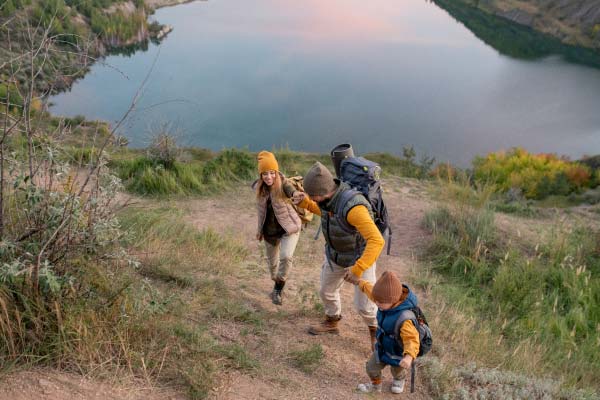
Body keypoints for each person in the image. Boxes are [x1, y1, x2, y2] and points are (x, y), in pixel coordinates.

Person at [292, 161, 384, 348]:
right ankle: (332, 322)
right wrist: (306, 203)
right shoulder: (329, 200)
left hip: (360, 258)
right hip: (335, 256)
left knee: (365, 306)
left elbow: (377, 241)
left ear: (322, 193)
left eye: (312, 196)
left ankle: (376, 333)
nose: (311, 198)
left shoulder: (354, 208)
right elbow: (326, 213)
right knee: (326, 291)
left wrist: (358, 269)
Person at [345, 270, 420, 394]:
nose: (377, 303)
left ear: (394, 300)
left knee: (397, 370)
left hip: (399, 352)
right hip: (383, 347)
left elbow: (412, 340)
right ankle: (375, 386)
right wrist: (359, 282)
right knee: (371, 368)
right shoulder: (383, 300)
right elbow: (371, 290)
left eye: (380, 302)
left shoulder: (405, 319)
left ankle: (399, 379)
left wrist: (408, 357)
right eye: (376, 301)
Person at [254, 151, 302, 305]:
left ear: (276, 171)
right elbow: (261, 214)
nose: (269, 177)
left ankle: (278, 289)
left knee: (286, 257)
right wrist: (259, 231)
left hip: (289, 229)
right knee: (273, 267)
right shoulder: (260, 190)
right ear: (261, 175)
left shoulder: (284, 183)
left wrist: (296, 194)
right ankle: (276, 281)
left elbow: (291, 190)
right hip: (269, 233)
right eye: (264, 174)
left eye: (272, 173)